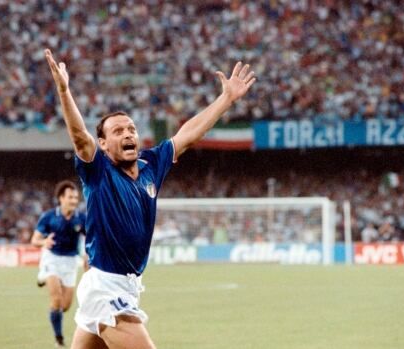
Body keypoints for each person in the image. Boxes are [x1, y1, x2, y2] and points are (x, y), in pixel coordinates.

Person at [44, 48, 256, 349]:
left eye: (131, 128)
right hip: (106, 288)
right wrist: (64, 91)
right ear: (103, 144)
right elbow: (79, 136)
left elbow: (189, 134)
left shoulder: (150, 165)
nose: (128, 133)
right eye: (117, 131)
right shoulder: (98, 171)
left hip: (127, 286)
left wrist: (226, 99)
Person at [31, 180, 87, 348]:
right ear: (61, 198)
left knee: (65, 306)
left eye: (76, 197)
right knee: (56, 300)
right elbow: (35, 240)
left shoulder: (81, 218)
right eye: (70, 197)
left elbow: (91, 238)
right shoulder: (49, 217)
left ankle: (42, 276)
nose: (74, 200)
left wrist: (87, 256)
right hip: (52, 259)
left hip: (70, 262)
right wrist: (43, 242)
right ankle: (59, 340)